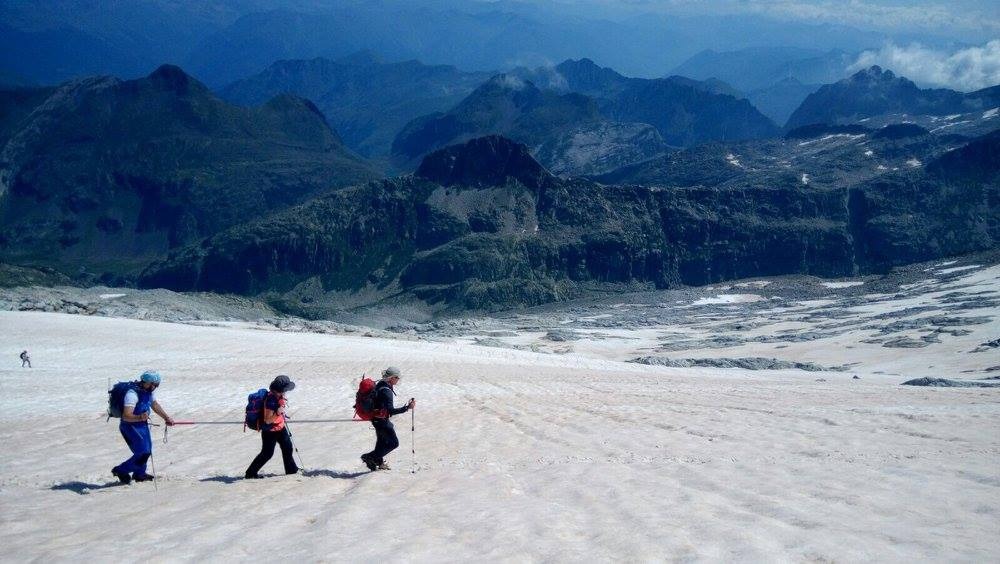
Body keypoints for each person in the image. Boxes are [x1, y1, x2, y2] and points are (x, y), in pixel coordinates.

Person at [112, 371, 175, 484]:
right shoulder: (132, 394)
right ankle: (120, 470)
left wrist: (166, 418)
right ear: (145, 382)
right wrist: (140, 417)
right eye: (153, 384)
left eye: (157, 385)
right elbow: (126, 416)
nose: (154, 387)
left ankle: (139, 474)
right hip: (130, 427)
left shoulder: (147, 392)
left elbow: (154, 405)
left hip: (142, 426)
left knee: (147, 450)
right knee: (143, 452)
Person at [245, 375, 299, 479]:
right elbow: (267, 420)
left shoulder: (278, 396)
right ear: (280, 389)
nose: (286, 391)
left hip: (280, 428)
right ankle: (250, 473)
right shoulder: (271, 400)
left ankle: (291, 470)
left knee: (287, 448)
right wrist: (278, 413)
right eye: (285, 389)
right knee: (267, 454)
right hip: (270, 431)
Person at [361, 367, 415, 471]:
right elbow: (391, 411)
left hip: (376, 419)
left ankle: (378, 462)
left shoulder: (381, 384)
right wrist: (407, 408)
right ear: (391, 378)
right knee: (394, 443)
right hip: (381, 421)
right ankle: (370, 457)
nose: (398, 380)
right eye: (397, 378)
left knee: (381, 442)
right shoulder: (386, 391)